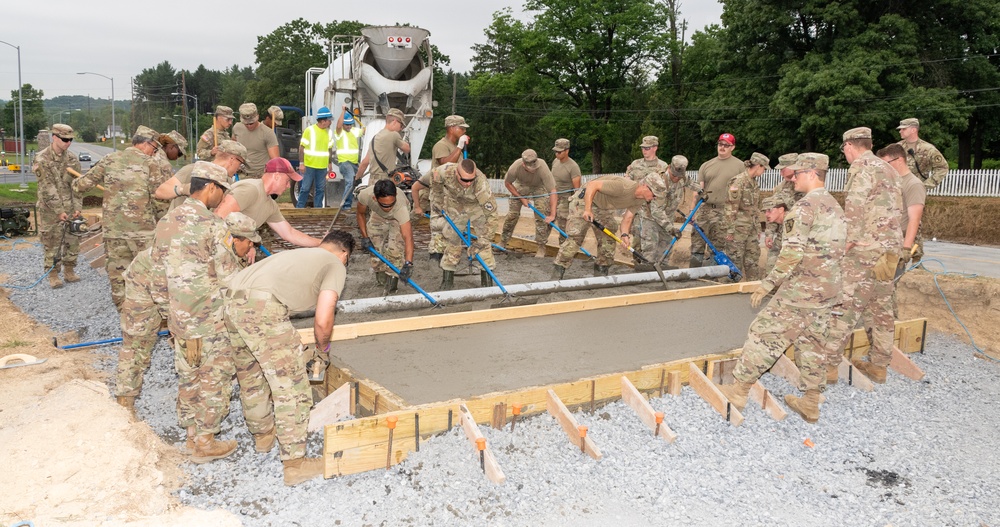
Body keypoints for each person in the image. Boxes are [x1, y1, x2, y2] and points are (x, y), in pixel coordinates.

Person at [717, 153, 846, 424]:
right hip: (827, 290)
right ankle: (810, 402)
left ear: (812, 174)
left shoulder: (804, 207)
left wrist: (768, 284)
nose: (793, 178)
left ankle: (739, 391)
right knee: (813, 343)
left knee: (763, 333)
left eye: (798, 173)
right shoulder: (835, 205)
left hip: (802, 290)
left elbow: (791, 253)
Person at [224, 230, 355, 486]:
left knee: (251, 374)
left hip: (231, 303)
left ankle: (263, 437)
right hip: (263, 307)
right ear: (344, 254)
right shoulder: (334, 264)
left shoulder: (299, 255)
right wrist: (322, 349)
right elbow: (324, 317)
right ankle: (295, 465)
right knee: (292, 389)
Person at [115, 211, 258, 419]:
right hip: (145, 281)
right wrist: (176, 324)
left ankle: (190, 404)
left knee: (192, 346)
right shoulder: (212, 250)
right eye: (250, 243)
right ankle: (124, 403)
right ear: (234, 239)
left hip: (174, 288)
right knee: (137, 343)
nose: (252, 248)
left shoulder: (224, 249)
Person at [156, 161, 245, 462]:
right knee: (214, 379)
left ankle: (192, 437)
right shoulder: (213, 226)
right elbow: (229, 277)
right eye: (222, 191)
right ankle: (206, 442)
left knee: (189, 376)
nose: (222, 198)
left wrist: (168, 314)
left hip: (179, 319)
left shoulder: (166, 222)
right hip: (210, 320)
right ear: (210, 187)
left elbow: (156, 275)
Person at [828, 127, 903, 384]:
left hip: (866, 249)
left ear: (850, 145)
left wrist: (847, 243)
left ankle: (827, 367)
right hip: (890, 249)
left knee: (845, 304)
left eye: (844, 149)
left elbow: (855, 206)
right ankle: (879, 366)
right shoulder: (889, 169)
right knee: (881, 308)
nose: (845, 154)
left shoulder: (862, 167)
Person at [72, 126, 169, 310]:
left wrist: (75, 183)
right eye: (154, 149)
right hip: (143, 233)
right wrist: (164, 223)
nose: (154, 153)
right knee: (149, 275)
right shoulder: (150, 164)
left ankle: (125, 314)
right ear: (146, 144)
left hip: (114, 232)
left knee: (118, 276)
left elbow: (82, 185)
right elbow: (159, 199)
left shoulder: (110, 159)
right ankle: (148, 315)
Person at [551, 174, 664, 280]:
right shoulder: (623, 187)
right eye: (654, 195)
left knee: (609, 236)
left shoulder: (640, 199)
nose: (654, 198)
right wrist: (588, 209)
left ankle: (601, 274)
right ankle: (557, 274)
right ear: (645, 187)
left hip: (601, 207)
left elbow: (628, 218)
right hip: (584, 200)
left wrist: (625, 235)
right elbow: (592, 185)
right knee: (576, 237)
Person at [214, 157, 321, 254]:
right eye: (287, 181)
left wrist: (321, 243)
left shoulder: (270, 205)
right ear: (277, 176)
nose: (288, 186)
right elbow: (218, 218)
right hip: (215, 247)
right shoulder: (250, 190)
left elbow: (290, 233)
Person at [430, 159, 500, 290]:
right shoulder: (444, 171)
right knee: (452, 237)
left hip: (476, 205)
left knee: (484, 243)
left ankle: (487, 284)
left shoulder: (481, 184)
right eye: (464, 180)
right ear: (457, 173)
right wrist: (438, 202)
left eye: (471, 180)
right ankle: (447, 281)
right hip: (455, 202)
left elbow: (492, 216)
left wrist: (483, 240)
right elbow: (435, 183)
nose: (468, 184)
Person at [33, 123, 82, 289]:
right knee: (52, 241)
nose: (68, 143)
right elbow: (47, 187)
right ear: (54, 137)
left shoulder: (73, 159)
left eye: (70, 140)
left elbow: (77, 186)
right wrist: (59, 210)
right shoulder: (42, 158)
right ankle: (53, 274)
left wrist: (77, 208)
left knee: (72, 240)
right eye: (64, 139)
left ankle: (69, 271)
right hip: (50, 209)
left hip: (70, 207)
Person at [691, 133, 744, 268]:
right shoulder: (706, 165)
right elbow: (698, 190)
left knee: (717, 243)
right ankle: (693, 272)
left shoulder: (740, 166)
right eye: (720, 144)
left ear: (732, 147)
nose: (722, 147)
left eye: (726, 145)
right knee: (697, 240)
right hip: (704, 209)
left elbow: (743, 191)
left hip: (724, 210)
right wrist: (692, 210)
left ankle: (712, 274)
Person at [356, 179, 415, 293]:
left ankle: (391, 286)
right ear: (375, 198)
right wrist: (365, 237)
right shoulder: (365, 195)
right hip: (378, 215)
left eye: (391, 204)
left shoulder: (400, 208)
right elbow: (360, 213)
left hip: (397, 218)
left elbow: (408, 237)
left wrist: (408, 263)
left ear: (396, 196)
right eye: (384, 205)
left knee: (395, 250)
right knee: (374, 249)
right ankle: (381, 281)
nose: (388, 208)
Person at [154, 140, 248, 210]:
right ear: (232, 160)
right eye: (240, 163)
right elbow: (160, 192)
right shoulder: (194, 170)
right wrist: (185, 189)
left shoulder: (228, 181)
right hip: (179, 227)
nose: (239, 168)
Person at [499, 149, 558, 258]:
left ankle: (541, 246)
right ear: (524, 164)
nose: (532, 170)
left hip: (539, 187)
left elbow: (553, 191)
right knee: (512, 215)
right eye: (529, 168)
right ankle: (503, 241)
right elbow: (507, 183)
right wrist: (521, 198)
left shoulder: (543, 167)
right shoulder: (515, 167)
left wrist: (552, 214)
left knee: (541, 216)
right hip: (520, 186)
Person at [877, 144, 925, 271]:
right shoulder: (890, 181)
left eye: (887, 163)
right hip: (883, 242)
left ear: (899, 160)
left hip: (897, 243)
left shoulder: (913, 184)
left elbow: (914, 219)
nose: (884, 167)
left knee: (888, 282)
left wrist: (906, 248)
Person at [645, 155, 699, 268]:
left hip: (668, 216)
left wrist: (702, 191)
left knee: (666, 246)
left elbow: (691, 183)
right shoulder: (659, 182)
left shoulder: (682, 177)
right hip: (650, 217)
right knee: (650, 248)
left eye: (679, 176)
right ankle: (647, 273)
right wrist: (670, 228)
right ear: (669, 168)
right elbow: (656, 211)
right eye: (674, 176)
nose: (676, 179)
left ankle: (663, 269)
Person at [722, 152, 770, 281]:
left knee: (752, 259)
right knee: (735, 259)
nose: (764, 171)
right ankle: (731, 289)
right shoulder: (738, 182)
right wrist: (730, 230)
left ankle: (751, 286)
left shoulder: (754, 183)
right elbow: (731, 208)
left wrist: (759, 229)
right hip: (738, 229)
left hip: (751, 229)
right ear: (758, 166)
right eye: (764, 168)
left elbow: (756, 209)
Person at [763, 153, 803, 271]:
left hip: (799, 236)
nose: (780, 173)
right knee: (772, 267)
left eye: (783, 169)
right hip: (782, 235)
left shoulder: (805, 187)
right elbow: (773, 209)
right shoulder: (780, 188)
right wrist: (769, 233)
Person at [357, 108, 411, 184]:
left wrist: (357, 179)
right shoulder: (394, 135)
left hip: (372, 182)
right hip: (385, 183)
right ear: (395, 121)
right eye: (401, 125)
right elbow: (407, 149)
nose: (401, 128)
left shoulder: (374, 138)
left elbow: (364, 163)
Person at [297, 106, 335, 208]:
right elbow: (302, 147)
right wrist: (301, 163)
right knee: (305, 188)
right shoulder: (309, 130)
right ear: (323, 121)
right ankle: (299, 208)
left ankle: (318, 209)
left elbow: (329, 148)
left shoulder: (329, 132)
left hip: (322, 166)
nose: (330, 122)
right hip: (309, 165)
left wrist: (329, 163)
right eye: (329, 120)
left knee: (320, 189)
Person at [895, 118, 948, 190]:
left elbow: (942, 168)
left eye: (904, 129)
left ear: (913, 130)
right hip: (898, 190)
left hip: (916, 191)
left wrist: (926, 185)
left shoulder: (928, 149)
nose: (900, 131)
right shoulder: (896, 147)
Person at [232, 103, 280, 179]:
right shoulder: (237, 128)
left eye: (251, 123)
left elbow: (275, 160)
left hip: (261, 176)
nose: (249, 125)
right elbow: (233, 149)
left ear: (257, 116)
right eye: (246, 123)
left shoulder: (268, 133)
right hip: (242, 176)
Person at [550, 138, 582, 239]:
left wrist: (576, 205)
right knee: (545, 221)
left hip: (565, 199)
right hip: (552, 195)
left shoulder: (573, 167)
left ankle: (563, 248)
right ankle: (541, 245)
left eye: (559, 152)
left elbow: (577, 190)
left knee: (563, 225)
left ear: (567, 151)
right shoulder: (555, 162)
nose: (557, 154)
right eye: (555, 152)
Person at [334, 105, 365, 208]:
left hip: (354, 163)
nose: (348, 127)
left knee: (358, 182)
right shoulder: (339, 133)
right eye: (346, 125)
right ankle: (345, 205)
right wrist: (343, 111)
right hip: (345, 162)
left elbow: (364, 130)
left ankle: (356, 203)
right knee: (350, 182)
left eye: (350, 124)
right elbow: (338, 126)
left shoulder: (354, 130)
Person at [761, 194, 793, 273]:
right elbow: (775, 249)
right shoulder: (782, 223)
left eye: (769, 210)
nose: (766, 214)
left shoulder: (792, 223)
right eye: (765, 211)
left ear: (781, 209)